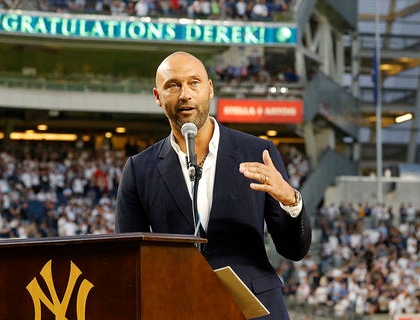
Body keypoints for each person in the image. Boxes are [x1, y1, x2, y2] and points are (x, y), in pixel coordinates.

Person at [116, 51, 311, 319]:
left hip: (255, 309)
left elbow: (294, 250)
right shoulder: (139, 169)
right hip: (178, 308)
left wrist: (290, 200)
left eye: (194, 82)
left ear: (209, 90)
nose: (185, 94)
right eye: (173, 85)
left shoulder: (258, 152)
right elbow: (129, 263)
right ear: (158, 97)